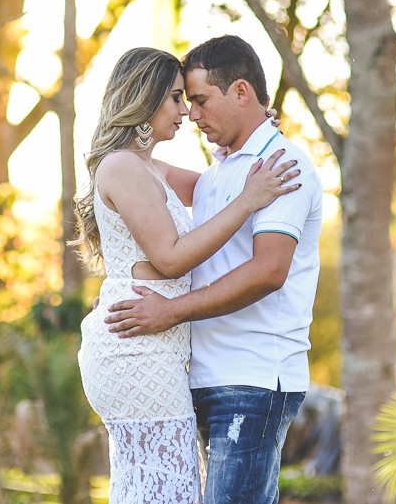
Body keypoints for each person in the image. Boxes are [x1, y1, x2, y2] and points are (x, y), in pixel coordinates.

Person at [103, 35, 325, 504]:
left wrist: (172, 311)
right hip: (204, 376)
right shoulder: (222, 172)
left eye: (199, 100)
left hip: (254, 378)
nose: (191, 114)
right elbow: (138, 173)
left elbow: (269, 271)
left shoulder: (281, 167)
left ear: (241, 92)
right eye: (182, 100)